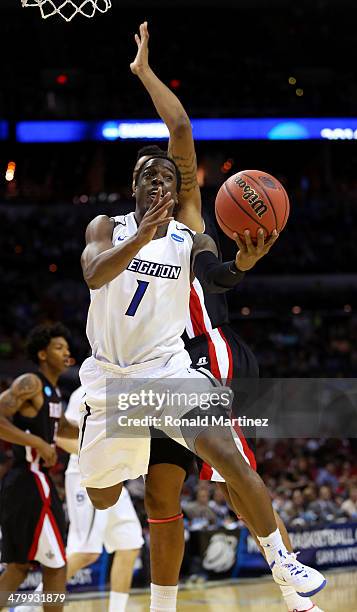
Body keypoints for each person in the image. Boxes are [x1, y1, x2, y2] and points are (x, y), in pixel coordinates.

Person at [131, 22, 325, 612]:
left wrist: (143, 72)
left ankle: (293, 591)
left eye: (170, 175)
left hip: (204, 354)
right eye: (151, 177)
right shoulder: (116, 238)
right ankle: (162, 605)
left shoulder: (191, 222)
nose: (163, 181)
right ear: (135, 189)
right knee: (161, 492)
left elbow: (181, 130)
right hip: (150, 372)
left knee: (235, 475)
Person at [0, 323, 78, 612]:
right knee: (56, 565)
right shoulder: (30, 382)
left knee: (19, 567)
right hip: (30, 481)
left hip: (28, 483)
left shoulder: (55, 394)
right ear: (43, 354)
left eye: (67, 348)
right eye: (59, 348)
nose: (66, 352)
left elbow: (67, 429)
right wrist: (38, 442)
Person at [57, 385, 144, 612]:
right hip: (88, 477)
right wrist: (97, 456)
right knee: (86, 552)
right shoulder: (85, 390)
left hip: (114, 479)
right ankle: (31, 606)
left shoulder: (126, 391)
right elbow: (60, 436)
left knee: (130, 544)